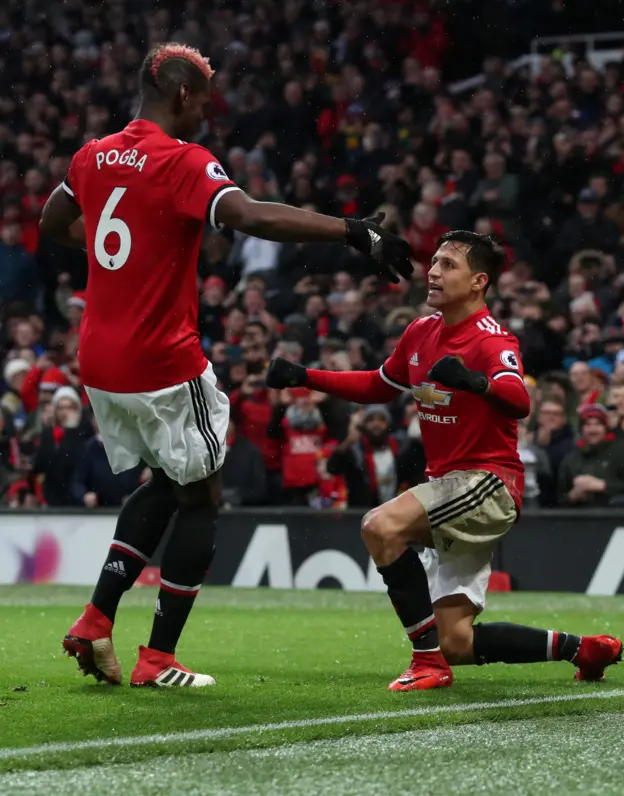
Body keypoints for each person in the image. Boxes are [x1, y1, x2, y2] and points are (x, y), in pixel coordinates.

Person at [39, 43, 412, 689]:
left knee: (166, 481)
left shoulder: (92, 154)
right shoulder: (181, 161)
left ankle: (97, 618)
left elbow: (52, 222)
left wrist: (122, 255)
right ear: (182, 94)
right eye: (205, 100)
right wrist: (350, 230)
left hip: (100, 359)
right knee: (205, 497)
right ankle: (157, 658)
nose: (207, 113)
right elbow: (248, 215)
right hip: (161, 358)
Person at [267, 230, 623, 691]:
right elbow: (379, 384)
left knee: (380, 526)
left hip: (488, 483)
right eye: (433, 262)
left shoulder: (493, 339)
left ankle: (425, 664)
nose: (432, 272)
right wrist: (305, 376)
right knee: (455, 641)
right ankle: (584, 649)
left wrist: (476, 382)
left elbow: (519, 399)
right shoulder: (420, 331)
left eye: (447, 264)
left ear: (478, 281)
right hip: (451, 487)